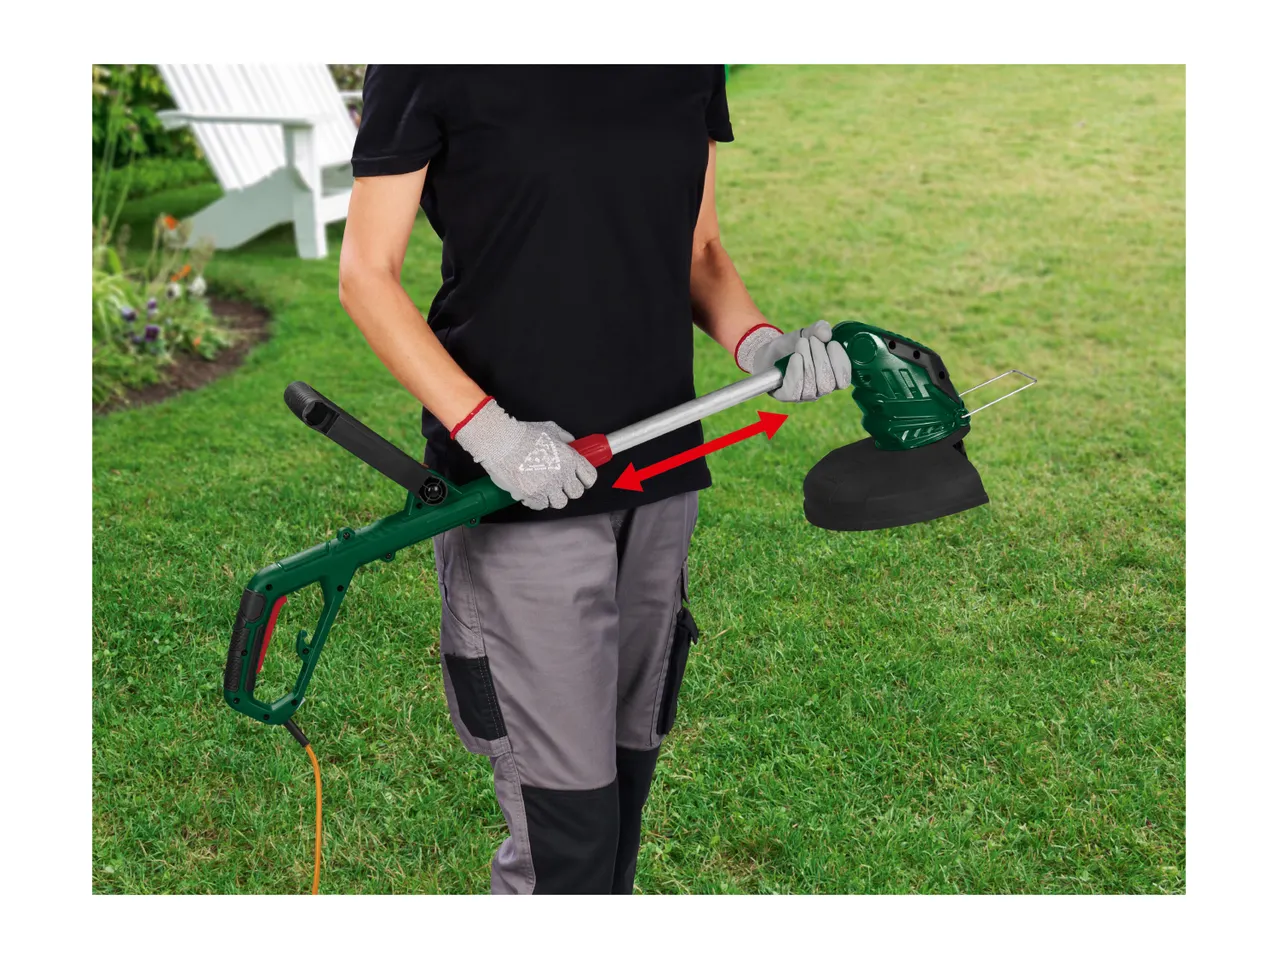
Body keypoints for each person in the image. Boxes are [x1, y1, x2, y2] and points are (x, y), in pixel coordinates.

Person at [339, 65, 850, 895]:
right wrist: (489, 432)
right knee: (563, 842)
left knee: (620, 805)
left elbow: (700, 248)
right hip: (517, 493)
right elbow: (367, 272)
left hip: (660, 473)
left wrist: (760, 343)